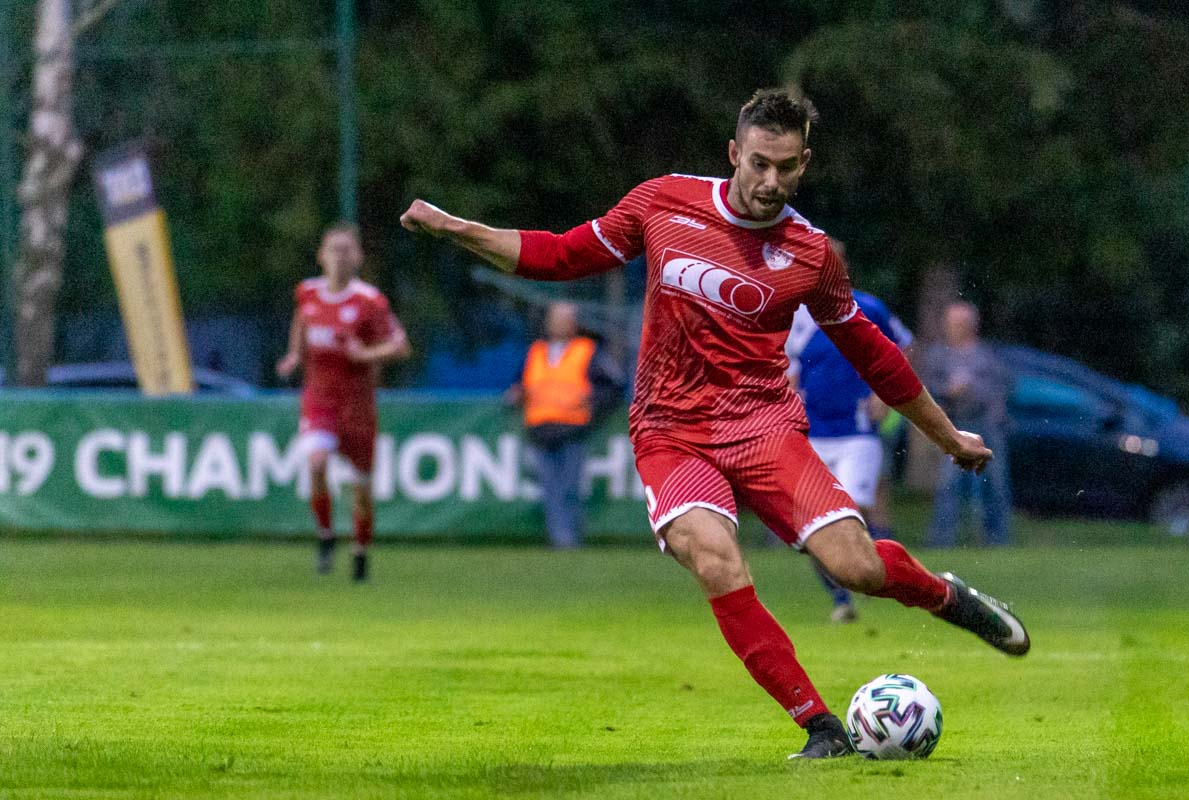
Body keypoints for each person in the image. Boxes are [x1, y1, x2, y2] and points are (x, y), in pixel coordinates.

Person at [400, 88, 1029, 759]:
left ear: (804, 164)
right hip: (670, 431)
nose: (771, 181)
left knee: (857, 568)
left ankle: (945, 597)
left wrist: (947, 436)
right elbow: (560, 255)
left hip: (764, 427)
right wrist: (457, 228)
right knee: (714, 557)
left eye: (786, 167)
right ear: (734, 153)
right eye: (759, 163)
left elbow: (873, 354)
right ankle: (821, 729)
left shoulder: (811, 254)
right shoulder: (664, 202)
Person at [276, 223, 412, 581]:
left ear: (358, 257)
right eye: (333, 249)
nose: (339, 256)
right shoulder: (307, 292)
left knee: (361, 488)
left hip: (357, 407)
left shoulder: (369, 301)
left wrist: (365, 354)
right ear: (321, 256)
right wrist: (295, 354)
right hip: (319, 399)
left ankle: (361, 552)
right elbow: (301, 322)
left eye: (346, 249)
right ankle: (325, 535)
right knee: (317, 462)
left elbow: (400, 346)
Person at [785, 279, 913, 623]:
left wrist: (884, 392)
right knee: (815, 524)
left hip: (857, 432)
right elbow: (787, 366)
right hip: (812, 433)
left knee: (852, 512)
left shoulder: (867, 307)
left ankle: (888, 580)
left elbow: (904, 346)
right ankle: (841, 597)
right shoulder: (794, 314)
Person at [506, 301, 624, 549]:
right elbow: (522, 382)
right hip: (540, 429)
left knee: (569, 487)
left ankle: (568, 538)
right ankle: (559, 538)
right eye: (556, 319)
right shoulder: (536, 350)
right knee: (550, 488)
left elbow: (613, 386)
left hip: (572, 429)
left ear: (574, 324)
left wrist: (593, 404)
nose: (559, 325)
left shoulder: (587, 350)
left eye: (565, 319)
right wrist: (516, 395)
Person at [919, 301, 1014, 547]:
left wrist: (976, 392)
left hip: (988, 426)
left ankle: (998, 541)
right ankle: (941, 542)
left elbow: (1003, 388)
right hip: (955, 426)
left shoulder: (988, 355)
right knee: (948, 486)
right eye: (950, 323)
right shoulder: (939, 356)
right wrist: (948, 391)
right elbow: (927, 390)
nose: (952, 328)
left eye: (958, 323)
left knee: (995, 485)